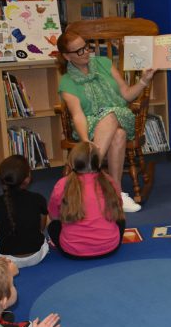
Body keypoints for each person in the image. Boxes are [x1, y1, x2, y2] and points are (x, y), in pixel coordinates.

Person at [56, 31, 156, 213]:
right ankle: (115, 193)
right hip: (89, 124)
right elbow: (77, 115)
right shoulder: (67, 82)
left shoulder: (104, 64)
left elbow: (126, 94)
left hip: (120, 116)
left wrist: (144, 80)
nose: (85, 52)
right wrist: (86, 141)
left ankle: (85, 178)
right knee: (119, 135)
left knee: (111, 115)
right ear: (66, 56)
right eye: (78, 51)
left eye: (85, 47)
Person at [48, 142, 127, 259]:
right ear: (99, 163)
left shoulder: (62, 184)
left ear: (71, 163)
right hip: (109, 247)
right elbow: (118, 207)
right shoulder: (110, 181)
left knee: (53, 226)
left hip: (72, 251)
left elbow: (54, 215)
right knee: (120, 220)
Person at [0, 155, 49, 268]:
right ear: (27, 178)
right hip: (37, 256)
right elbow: (41, 228)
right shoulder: (39, 198)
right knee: (43, 213)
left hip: (7, 261)